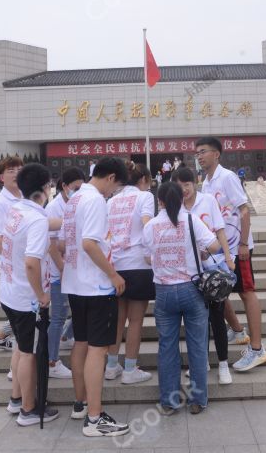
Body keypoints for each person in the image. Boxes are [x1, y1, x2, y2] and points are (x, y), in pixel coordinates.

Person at [59, 157, 130, 437]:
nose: (112, 193)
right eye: (116, 187)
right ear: (111, 177)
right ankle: (94, 418)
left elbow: (68, 242)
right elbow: (89, 243)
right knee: (98, 349)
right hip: (97, 287)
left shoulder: (74, 199)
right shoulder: (96, 201)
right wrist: (113, 275)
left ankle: (81, 403)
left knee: (82, 343)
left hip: (76, 284)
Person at [142, 182, 220, 415]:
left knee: (167, 346)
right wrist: (200, 251)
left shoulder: (151, 226)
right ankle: (198, 400)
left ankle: (169, 401)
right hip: (192, 289)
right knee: (197, 346)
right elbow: (215, 246)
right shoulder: (192, 220)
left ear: (161, 201)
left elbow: (147, 259)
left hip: (164, 292)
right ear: (181, 199)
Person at [196, 137, 266, 372]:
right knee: (218, 292)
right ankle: (238, 331)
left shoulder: (226, 177)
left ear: (217, 154)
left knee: (247, 292)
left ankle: (257, 349)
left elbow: (244, 210)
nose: (199, 156)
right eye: (197, 152)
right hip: (219, 249)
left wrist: (244, 244)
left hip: (238, 246)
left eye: (203, 151)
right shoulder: (205, 182)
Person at [0, 162, 59, 426]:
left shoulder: (17, 209)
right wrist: (42, 296)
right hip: (27, 299)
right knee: (29, 353)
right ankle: (29, 410)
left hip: (9, 292)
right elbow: (32, 262)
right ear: (45, 188)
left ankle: (16, 399)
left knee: (21, 349)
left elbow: (46, 222)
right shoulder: (35, 220)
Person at [172, 168, 235, 384]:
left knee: (217, 318)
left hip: (212, 270)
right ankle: (202, 362)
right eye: (179, 186)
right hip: (189, 273)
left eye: (187, 184)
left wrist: (228, 258)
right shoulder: (175, 207)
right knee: (196, 321)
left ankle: (224, 365)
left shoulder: (208, 200)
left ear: (195, 183)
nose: (184, 189)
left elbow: (219, 230)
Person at [105, 161, 155, 385]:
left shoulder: (111, 200)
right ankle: (130, 369)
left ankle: (111, 366)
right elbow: (147, 225)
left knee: (117, 320)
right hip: (138, 264)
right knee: (135, 321)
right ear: (143, 179)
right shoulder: (145, 197)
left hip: (115, 265)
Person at [45, 167, 86, 380]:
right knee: (59, 315)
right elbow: (52, 245)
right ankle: (52, 361)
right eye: (75, 188)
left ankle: (65, 338)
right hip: (59, 271)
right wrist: (62, 269)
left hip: (77, 268)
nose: (79, 192)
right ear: (64, 186)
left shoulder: (80, 203)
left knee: (81, 309)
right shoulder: (53, 208)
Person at [0, 157, 24, 379]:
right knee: (23, 319)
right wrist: (15, 264)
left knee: (24, 318)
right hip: (15, 271)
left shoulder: (24, 196)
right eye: (11, 170)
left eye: (19, 169)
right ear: (1, 177)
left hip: (27, 267)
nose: (16, 173)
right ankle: (17, 370)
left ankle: (0, 337)